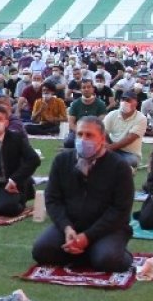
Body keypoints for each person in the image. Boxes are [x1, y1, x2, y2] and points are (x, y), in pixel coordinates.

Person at [32, 116, 134, 272]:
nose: (83, 139)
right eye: (80, 134)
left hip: (107, 229)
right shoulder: (62, 161)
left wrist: (88, 236)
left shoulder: (119, 166)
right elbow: (53, 199)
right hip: (70, 227)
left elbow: (120, 210)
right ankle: (86, 252)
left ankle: (103, 251)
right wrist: (66, 227)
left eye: (89, 135)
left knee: (108, 260)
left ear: (102, 137)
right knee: (41, 251)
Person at [102, 93, 148, 170]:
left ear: (136, 103)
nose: (125, 102)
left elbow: (129, 139)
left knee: (131, 160)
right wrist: (106, 144)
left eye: (128, 100)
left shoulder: (141, 118)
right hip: (111, 147)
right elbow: (103, 131)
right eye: (123, 99)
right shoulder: (112, 114)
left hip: (130, 153)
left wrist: (109, 148)